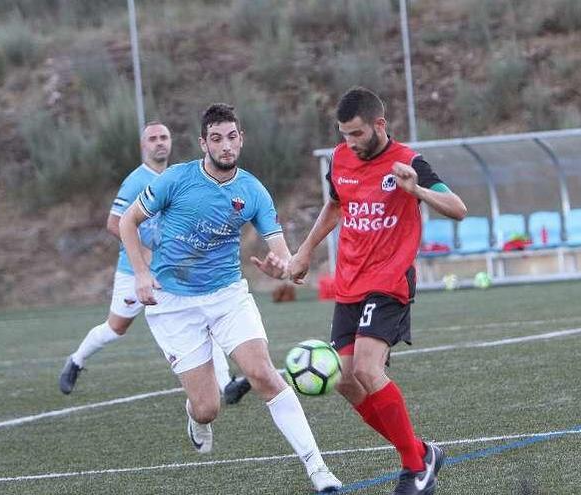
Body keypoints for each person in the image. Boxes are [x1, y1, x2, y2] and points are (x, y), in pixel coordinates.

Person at [119, 104, 341, 492]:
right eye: (217, 138)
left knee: (263, 375)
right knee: (208, 408)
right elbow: (127, 221)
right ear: (204, 142)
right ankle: (196, 417)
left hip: (227, 296)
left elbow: (284, 255)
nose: (226, 145)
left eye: (232, 136)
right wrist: (140, 272)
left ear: (242, 138)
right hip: (172, 304)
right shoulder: (175, 179)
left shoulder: (253, 191)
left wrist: (284, 270)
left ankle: (318, 469)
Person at [288, 87, 467, 495]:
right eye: (344, 134)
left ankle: (414, 470)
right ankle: (422, 452)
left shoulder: (408, 161)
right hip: (349, 283)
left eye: (357, 134)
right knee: (345, 380)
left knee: (369, 370)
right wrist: (304, 251)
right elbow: (335, 206)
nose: (350, 142)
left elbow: (458, 208)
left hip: (389, 281)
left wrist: (416, 191)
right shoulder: (339, 159)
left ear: (379, 125)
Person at [59, 122, 251, 405]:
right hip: (134, 270)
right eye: (153, 138)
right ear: (143, 146)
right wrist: (145, 257)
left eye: (164, 137)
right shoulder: (138, 180)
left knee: (202, 318)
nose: (159, 142)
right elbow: (115, 223)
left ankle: (225, 385)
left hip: (172, 271)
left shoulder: (179, 176)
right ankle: (76, 360)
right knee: (116, 328)